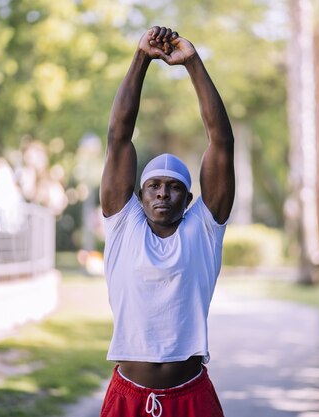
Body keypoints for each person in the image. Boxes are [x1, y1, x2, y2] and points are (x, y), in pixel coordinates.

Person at [99, 26, 235, 417]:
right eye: (153, 187)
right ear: (138, 197)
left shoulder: (203, 229)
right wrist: (141, 57)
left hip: (191, 398)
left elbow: (220, 142)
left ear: (188, 199)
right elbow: (118, 138)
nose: (162, 193)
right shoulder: (124, 226)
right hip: (128, 398)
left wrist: (192, 62)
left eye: (173, 188)